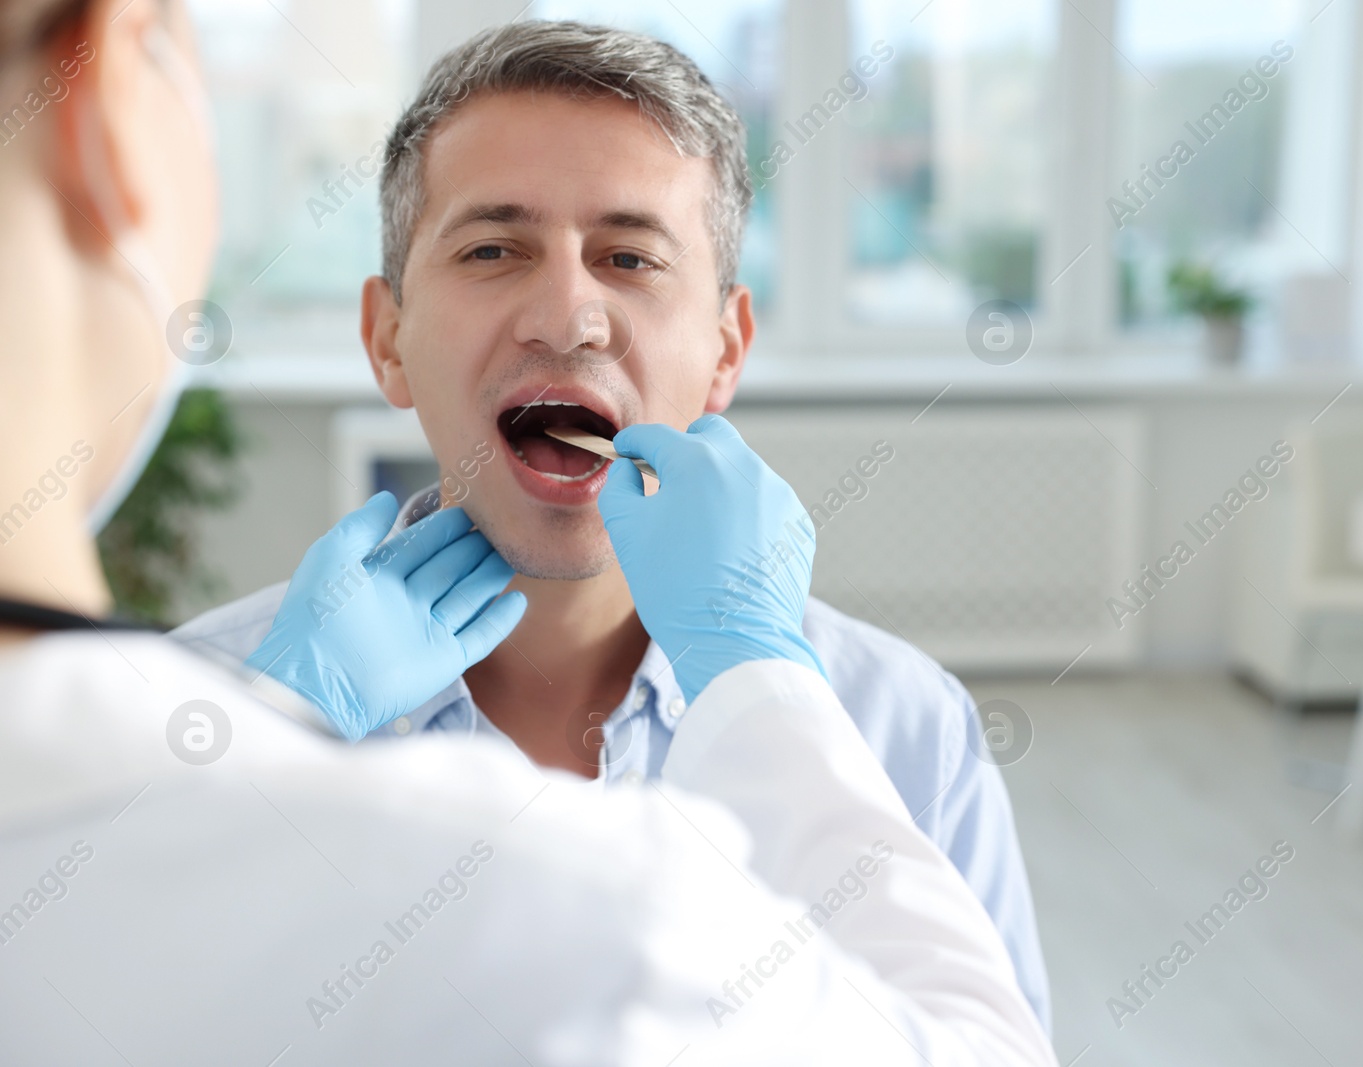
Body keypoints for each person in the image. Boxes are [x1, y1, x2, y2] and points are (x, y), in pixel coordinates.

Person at [0, 1, 1055, 1063]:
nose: (567, 316)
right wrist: (268, 737)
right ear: (388, 339)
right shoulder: (192, 717)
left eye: (631, 259)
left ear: (727, 350)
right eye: (495, 248)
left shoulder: (906, 731)